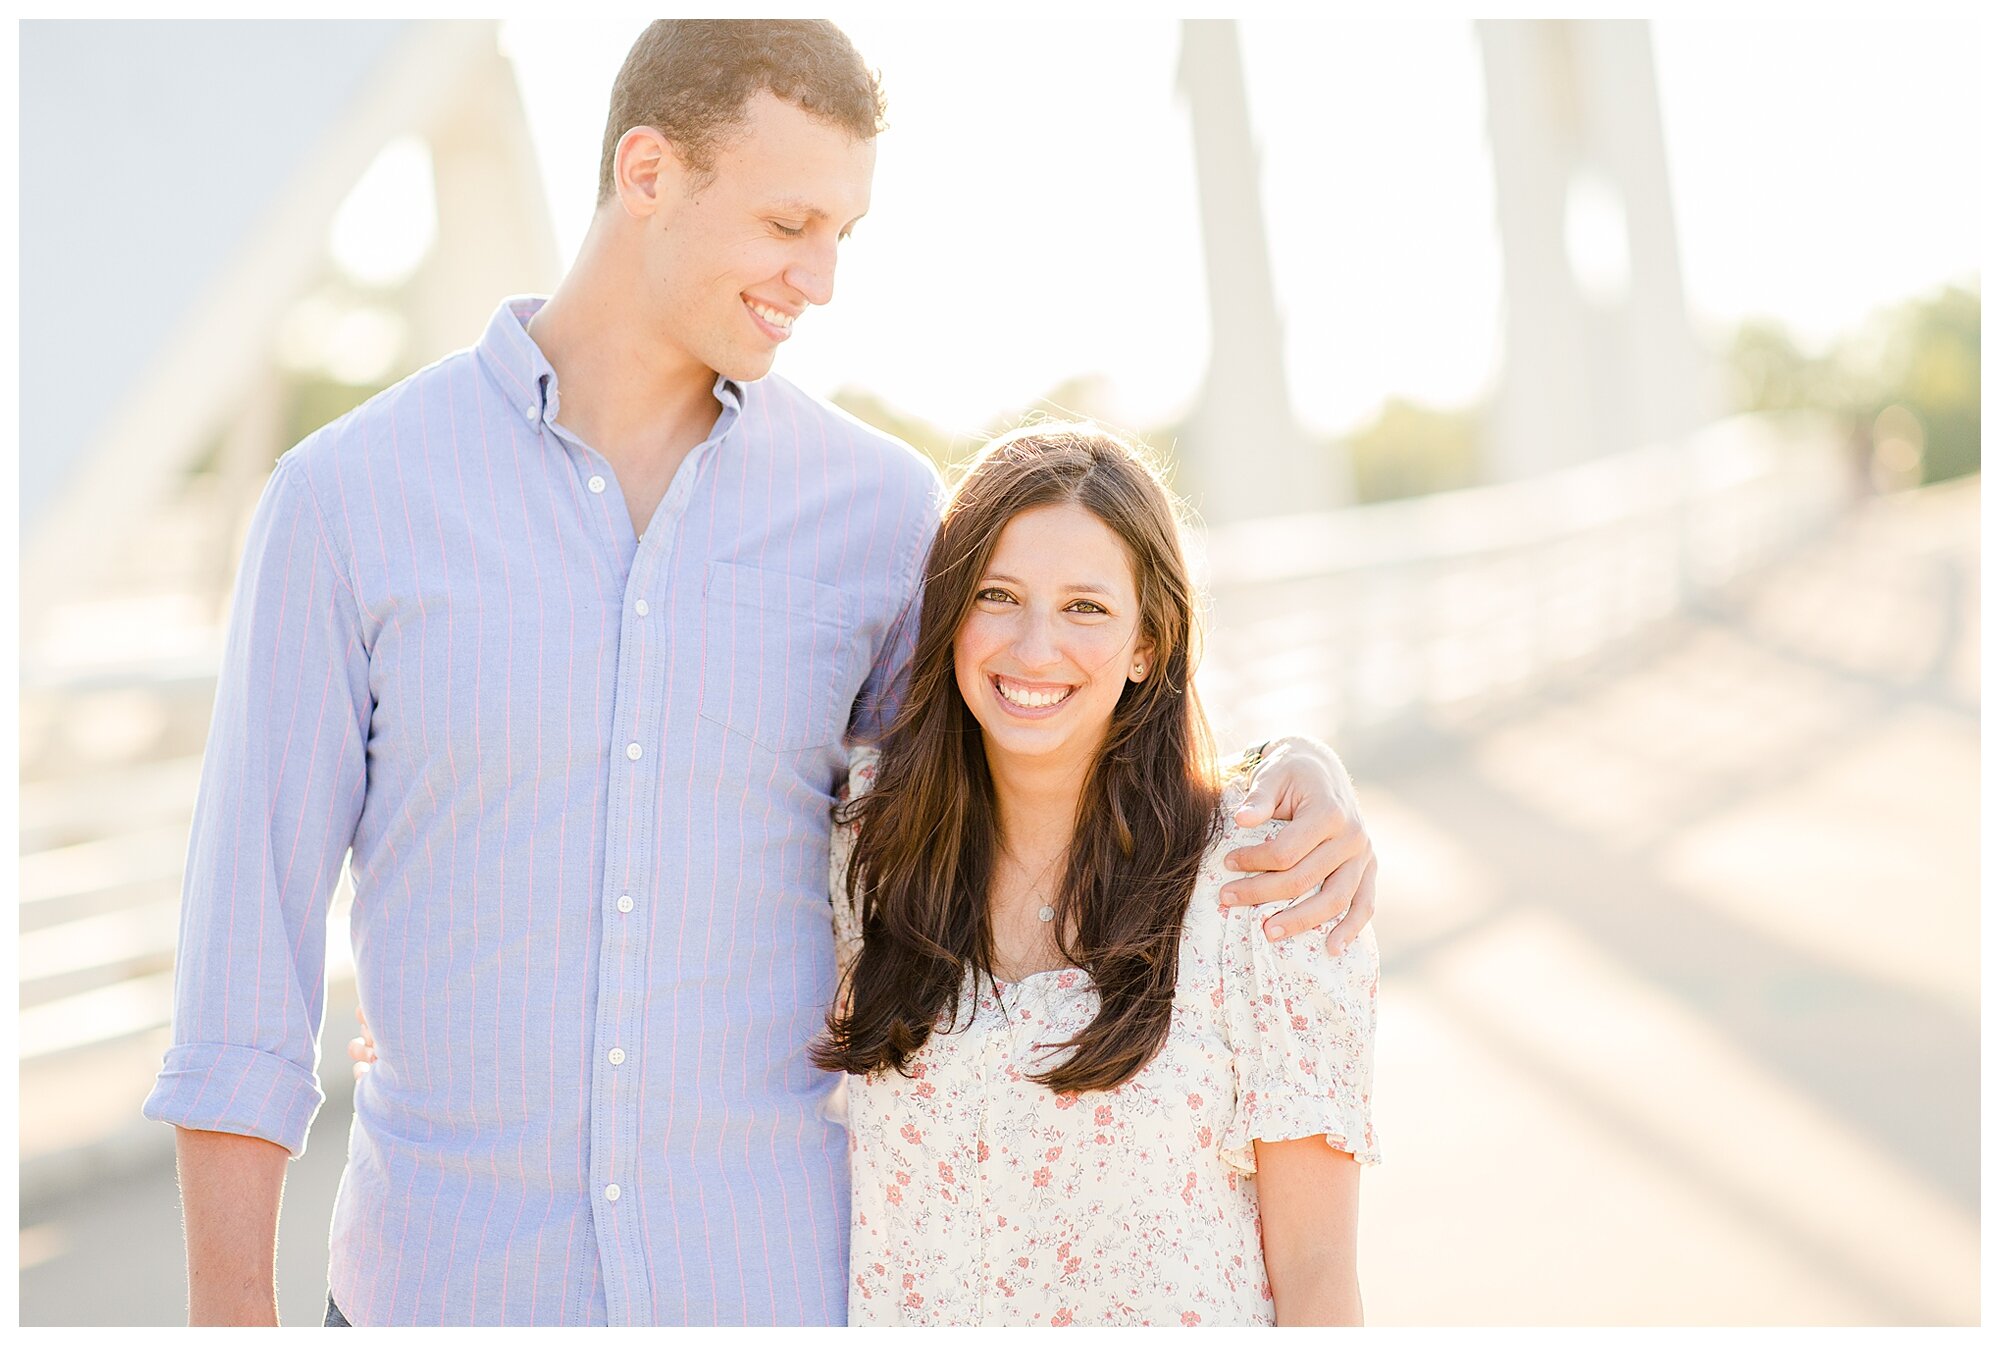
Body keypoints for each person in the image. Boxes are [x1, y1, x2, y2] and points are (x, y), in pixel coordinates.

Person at [144, 20, 1378, 1327]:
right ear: (649, 173)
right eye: (792, 223)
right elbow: (244, 982)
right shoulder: (347, 501)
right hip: (441, 1289)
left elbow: (1031, 732)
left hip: (766, 1293)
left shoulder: (878, 514)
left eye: (845, 232)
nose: (823, 278)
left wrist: (1289, 769)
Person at [816, 422, 1377, 1325]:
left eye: (1086, 607)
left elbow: (1318, 1279)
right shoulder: (866, 853)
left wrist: (1308, 760)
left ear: (1148, 644)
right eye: (999, 596)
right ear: (950, 617)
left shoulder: (1264, 883)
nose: (1036, 648)